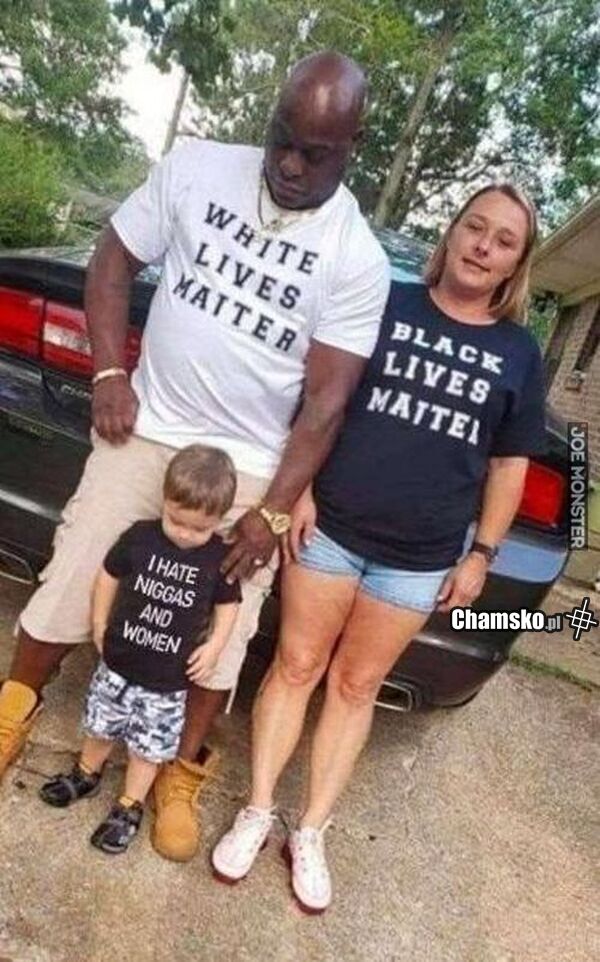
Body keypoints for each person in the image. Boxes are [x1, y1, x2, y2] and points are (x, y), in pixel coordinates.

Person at [0, 51, 390, 864]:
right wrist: (110, 372)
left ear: (352, 147)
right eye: (282, 138)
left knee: (221, 629)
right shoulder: (198, 167)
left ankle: (177, 775)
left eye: (315, 153)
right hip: (147, 430)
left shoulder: (357, 257)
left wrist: (273, 511)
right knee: (74, 570)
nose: (290, 164)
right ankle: (14, 711)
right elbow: (112, 260)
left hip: (251, 467)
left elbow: (326, 402)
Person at [211, 183, 547, 912]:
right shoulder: (387, 303)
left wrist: (482, 554)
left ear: (516, 264)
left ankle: (310, 830)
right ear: (452, 231)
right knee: (295, 666)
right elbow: (322, 396)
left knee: (357, 686)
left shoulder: (520, 353)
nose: (483, 246)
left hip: (421, 556)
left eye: (504, 241)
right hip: (330, 528)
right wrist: (300, 487)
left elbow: (509, 465)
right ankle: (258, 810)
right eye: (475, 227)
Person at [38, 445, 241, 854]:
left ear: (220, 520)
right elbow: (108, 576)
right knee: (101, 726)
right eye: (176, 520)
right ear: (164, 499)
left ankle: (129, 805)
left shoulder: (218, 559)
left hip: (167, 683)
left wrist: (216, 646)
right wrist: (99, 623)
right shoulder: (140, 537)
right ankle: (86, 771)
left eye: (199, 529)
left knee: (147, 750)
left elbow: (229, 605)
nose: (184, 534)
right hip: (118, 665)